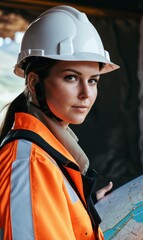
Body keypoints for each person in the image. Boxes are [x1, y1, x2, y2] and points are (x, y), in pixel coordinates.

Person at [0, 5, 119, 240]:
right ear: (34, 83)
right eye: (71, 77)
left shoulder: (48, 151)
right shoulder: (31, 163)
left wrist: (82, 209)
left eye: (93, 80)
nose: (86, 93)